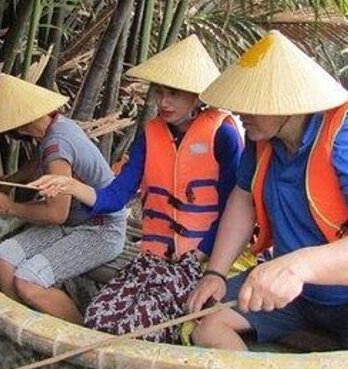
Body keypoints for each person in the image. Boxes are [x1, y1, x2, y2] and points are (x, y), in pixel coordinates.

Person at [186, 30, 348, 351]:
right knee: (205, 327)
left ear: (287, 102)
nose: (239, 112)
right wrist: (216, 272)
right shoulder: (261, 139)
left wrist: (298, 265)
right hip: (302, 294)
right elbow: (243, 198)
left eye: (250, 102)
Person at [31, 35, 244, 343]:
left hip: (201, 260)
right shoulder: (151, 133)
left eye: (174, 93)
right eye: (160, 92)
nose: (164, 102)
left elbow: (233, 205)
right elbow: (116, 196)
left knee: (143, 325)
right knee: (99, 315)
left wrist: (203, 253)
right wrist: (71, 185)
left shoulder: (223, 134)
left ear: (198, 96)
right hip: (153, 257)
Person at [0, 74, 126, 325]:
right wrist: (15, 178)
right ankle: (21, 326)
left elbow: (56, 214)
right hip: (74, 223)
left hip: (100, 230)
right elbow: (41, 161)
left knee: (27, 281)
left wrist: (9, 207)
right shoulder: (56, 126)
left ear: (19, 125)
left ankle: (79, 337)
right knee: (3, 256)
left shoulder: (57, 145)